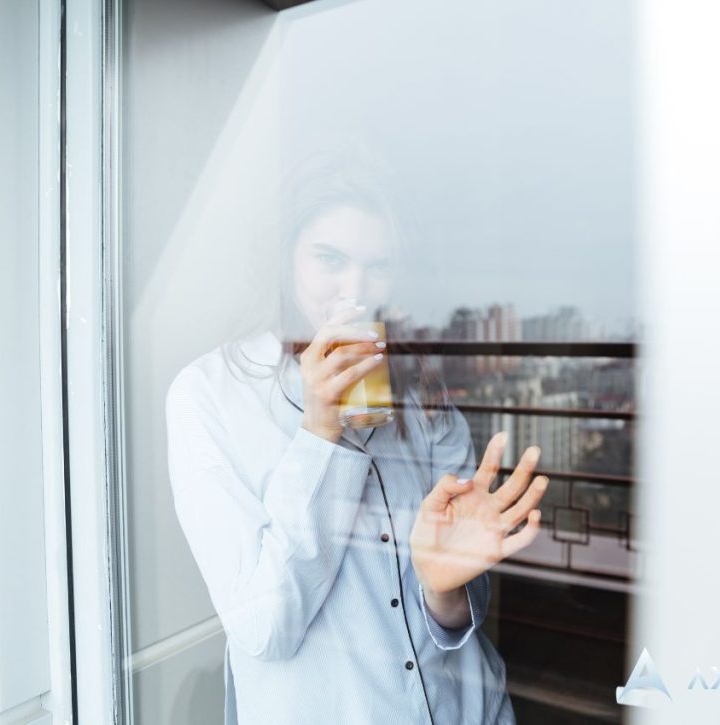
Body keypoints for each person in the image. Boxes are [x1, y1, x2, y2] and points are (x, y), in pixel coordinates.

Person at [165, 146, 548, 724]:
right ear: (286, 256)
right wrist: (321, 432)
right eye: (329, 259)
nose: (355, 289)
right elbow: (265, 628)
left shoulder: (421, 390)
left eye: (379, 266)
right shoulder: (209, 397)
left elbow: (459, 608)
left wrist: (443, 588)